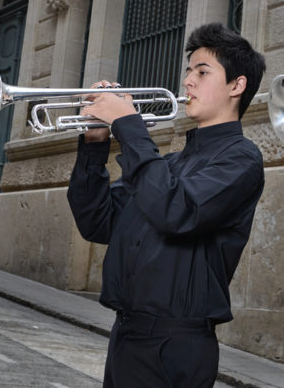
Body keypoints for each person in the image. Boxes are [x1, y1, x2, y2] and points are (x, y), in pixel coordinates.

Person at [67, 22, 266, 388]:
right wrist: (95, 144)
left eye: (202, 72)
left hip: (176, 345)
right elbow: (97, 221)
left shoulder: (242, 159)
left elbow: (176, 211)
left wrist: (128, 126)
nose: (188, 81)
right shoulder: (168, 165)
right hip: (126, 335)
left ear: (237, 86)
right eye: (188, 71)